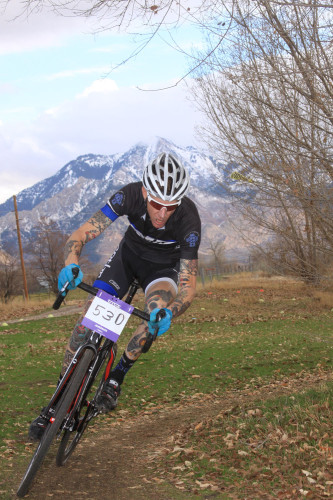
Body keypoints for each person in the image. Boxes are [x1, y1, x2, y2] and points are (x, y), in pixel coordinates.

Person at [29, 152, 201, 440]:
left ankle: (116, 377)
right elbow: (82, 232)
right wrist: (71, 262)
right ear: (146, 192)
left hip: (161, 271)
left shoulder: (188, 220)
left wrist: (171, 311)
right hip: (127, 260)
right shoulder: (130, 196)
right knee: (86, 327)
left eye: (170, 207)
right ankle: (58, 404)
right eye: (157, 204)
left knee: (155, 315)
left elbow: (188, 285)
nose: (162, 213)